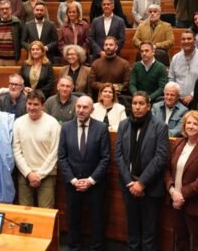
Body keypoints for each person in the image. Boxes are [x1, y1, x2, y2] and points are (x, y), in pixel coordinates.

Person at [115, 91, 169, 250]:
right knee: (132, 229)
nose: (137, 107)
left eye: (141, 104)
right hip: (129, 186)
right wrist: (130, 183)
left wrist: (142, 183)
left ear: (148, 106)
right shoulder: (124, 124)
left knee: (148, 232)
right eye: (134, 103)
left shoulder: (160, 126)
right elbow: (118, 155)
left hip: (150, 187)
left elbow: (160, 157)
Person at [58, 95, 111, 250]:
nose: (81, 110)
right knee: (73, 219)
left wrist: (90, 180)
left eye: (85, 107)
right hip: (72, 184)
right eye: (78, 107)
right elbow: (62, 157)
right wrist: (73, 180)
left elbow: (105, 158)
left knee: (97, 220)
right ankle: (74, 247)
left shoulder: (101, 128)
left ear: (92, 110)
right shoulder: (66, 127)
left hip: (95, 185)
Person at [164, 110, 198, 251]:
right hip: (175, 201)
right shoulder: (178, 142)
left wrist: (181, 195)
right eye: (188, 123)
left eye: (195, 124)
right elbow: (166, 170)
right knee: (180, 239)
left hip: (193, 203)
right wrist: (173, 191)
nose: (191, 126)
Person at [13, 90, 60, 208]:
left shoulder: (52, 123)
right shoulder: (18, 122)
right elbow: (16, 151)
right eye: (29, 104)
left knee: (45, 213)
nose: (32, 107)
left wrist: (39, 174)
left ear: (43, 106)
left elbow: (54, 152)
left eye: (36, 104)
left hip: (47, 174)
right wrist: (28, 173)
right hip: (25, 174)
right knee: (25, 212)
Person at [168, 29, 198, 107]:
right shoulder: (175, 58)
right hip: (177, 100)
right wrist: (174, 94)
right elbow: (171, 79)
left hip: (197, 99)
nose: (186, 41)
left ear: (194, 41)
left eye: (189, 39)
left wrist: (192, 95)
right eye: (183, 39)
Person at [0, 0, 23, 66]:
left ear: (11, 10)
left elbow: (21, 40)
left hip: (12, 58)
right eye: (2, 9)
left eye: (7, 8)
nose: (4, 11)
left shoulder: (17, 23)